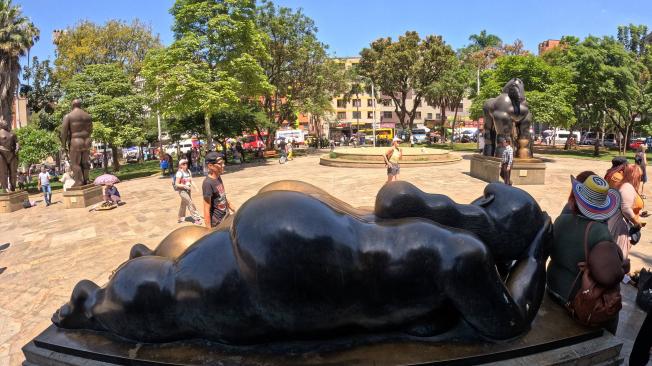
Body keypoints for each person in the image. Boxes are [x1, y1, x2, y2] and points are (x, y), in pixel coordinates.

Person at [547, 174, 628, 334]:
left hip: (553, 288)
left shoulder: (561, 220)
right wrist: (623, 266)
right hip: (576, 299)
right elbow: (609, 276)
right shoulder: (599, 232)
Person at [608, 164, 645, 260]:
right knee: (620, 256)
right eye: (639, 176)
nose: (640, 179)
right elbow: (625, 209)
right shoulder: (627, 187)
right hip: (619, 226)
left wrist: (639, 214)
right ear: (634, 176)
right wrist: (637, 223)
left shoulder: (624, 185)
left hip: (616, 222)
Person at [202, 152, 235, 228]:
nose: (223, 165)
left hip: (226, 216)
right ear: (210, 166)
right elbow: (206, 208)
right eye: (220, 164)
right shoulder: (207, 183)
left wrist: (233, 208)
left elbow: (222, 197)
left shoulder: (218, 177)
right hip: (218, 223)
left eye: (223, 163)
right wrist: (208, 230)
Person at [175, 158, 202, 225]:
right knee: (190, 203)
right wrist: (184, 186)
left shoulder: (189, 171)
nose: (185, 165)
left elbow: (191, 181)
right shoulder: (179, 173)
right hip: (182, 191)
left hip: (188, 190)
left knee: (183, 204)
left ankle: (180, 217)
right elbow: (176, 183)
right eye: (183, 164)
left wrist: (196, 188)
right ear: (180, 165)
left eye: (186, 163)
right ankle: (196, 218)